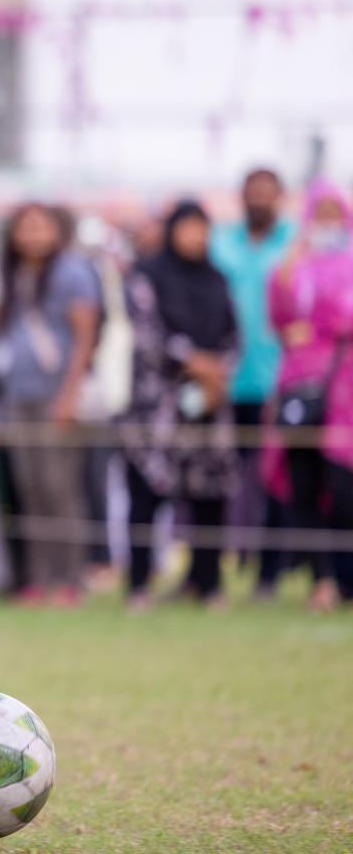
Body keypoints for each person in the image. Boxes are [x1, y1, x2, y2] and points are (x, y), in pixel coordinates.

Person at [121, 201, 239, 611]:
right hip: (158, 408)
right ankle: (138, 584)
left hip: (208, 404)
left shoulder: (218, 280)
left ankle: (207, 584)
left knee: (210, 499)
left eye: (201, 229)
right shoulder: (147, 276)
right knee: (146, 495)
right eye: (187, 229)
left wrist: (216, 371)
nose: (195, 238)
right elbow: (148, 333)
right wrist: (194, 360)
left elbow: (234, 334)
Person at [0, 202, 101, 607]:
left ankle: (70, 580)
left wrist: (68, 396)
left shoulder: (73, 272)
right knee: (29, 489)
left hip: (57, 396)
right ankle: (35, 580)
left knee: (60, 489)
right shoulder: (14, 275)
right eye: (25, 227)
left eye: (40, 227)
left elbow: (85, 338)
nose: (32, 236)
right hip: (17, 395)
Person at [265, 181, 353, 611]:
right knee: (306, 488)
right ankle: (322, 581)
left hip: (345, 395)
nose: (328, 224)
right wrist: (286, 271)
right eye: (321, 214)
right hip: (298, 387)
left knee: (343, 487)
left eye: (335, 214)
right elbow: (281, 322)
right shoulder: (295, 265)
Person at [208, 168, 295, 592]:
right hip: (224, 381)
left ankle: (269, 572)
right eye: (252, 191)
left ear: (280, 196)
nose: (259, 199)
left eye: (267, 192)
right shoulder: (219, 241)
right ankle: (214, 571)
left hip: (278, 380)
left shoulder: (296, 242)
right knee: (221, 478)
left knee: (274, 478)